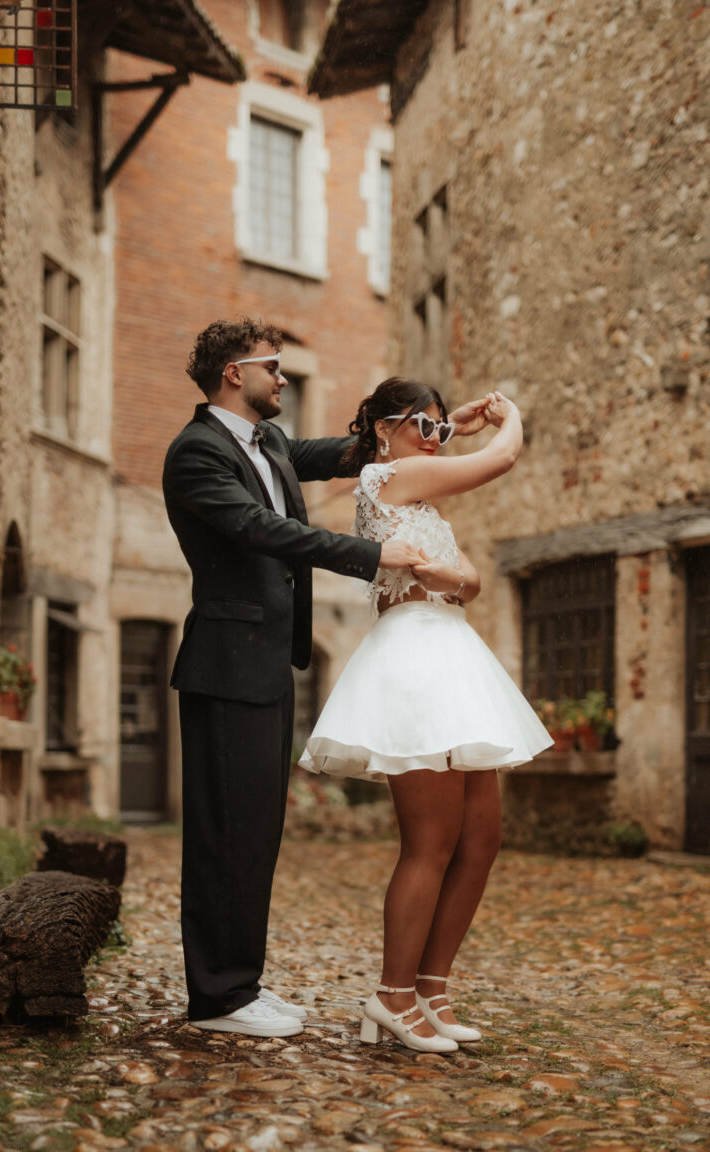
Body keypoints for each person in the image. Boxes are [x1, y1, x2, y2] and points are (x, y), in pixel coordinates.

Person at [162, 320, 473, 1040]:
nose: (283, 378)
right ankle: (217, 998)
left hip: (270, 659)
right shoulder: (196, 452)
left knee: (256, 831)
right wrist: (370, 553)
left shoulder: (268, 442)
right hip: (225, 663)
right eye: (272, 366)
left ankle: (240, 984)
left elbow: (357, 452)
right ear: (234, 373)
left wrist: (436, 427)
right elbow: (259, 528)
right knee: (223, 834)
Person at [300, 377, 553, 1054]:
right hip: (413, 663)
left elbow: (470, 581)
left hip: (454, 658)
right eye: (423, 424)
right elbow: (500, 459)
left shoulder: (425, 502)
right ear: (384, 429)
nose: (435, 438)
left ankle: (430, 988)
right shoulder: (387, 477)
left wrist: (451, 578)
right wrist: (506, 416)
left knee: (481, 839)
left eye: (441, 427)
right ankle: (390, 996)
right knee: (431, 842)